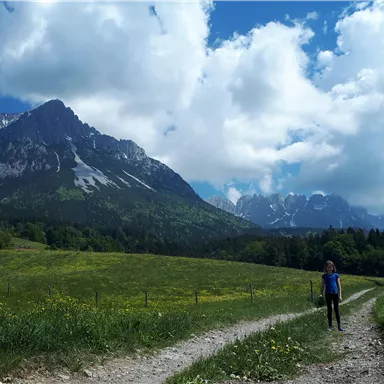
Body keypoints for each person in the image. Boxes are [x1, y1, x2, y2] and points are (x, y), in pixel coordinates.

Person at [320, 260, 344, 331]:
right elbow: (322, 286)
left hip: (335, 294)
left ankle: (339, 326)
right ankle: (330, 326)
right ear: (326, 268)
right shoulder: (324, 276)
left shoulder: (336, 275)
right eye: (328, 267)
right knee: (329, 310)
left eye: (331, 267)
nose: (330, 268)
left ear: (333, 268)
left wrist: (340, 295)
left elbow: (339, 286)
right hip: (328, 294)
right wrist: (321, 294)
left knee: (336, 310)